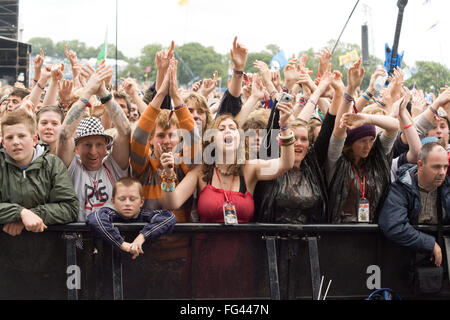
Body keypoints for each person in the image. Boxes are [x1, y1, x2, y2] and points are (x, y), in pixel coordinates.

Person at [326, 58, 399, 224]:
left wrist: (366, 119)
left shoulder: (377, 159)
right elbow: (339, 129)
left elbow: (394, 126)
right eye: (362, 141)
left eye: (371, 140)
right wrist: (350, 89)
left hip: (373, 233)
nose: (368, 146)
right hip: (339, 233)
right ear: (351, 143)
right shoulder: (336, 161)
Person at [57, 64, 131, 222]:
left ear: (106, 146)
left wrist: (103, 92)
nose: (93, 151)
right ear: (76, 148)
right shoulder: (73, 168)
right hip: (78, 242)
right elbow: (64, 134)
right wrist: (88, 92)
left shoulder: (112, 167)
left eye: (98, 145)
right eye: (87, 145)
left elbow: (125, 131)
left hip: (110, 242)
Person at [1, 108, 78, 236]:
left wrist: (33, 215)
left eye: (21, 136)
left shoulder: (53, 164)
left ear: (34, 139)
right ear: (3, 143)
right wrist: (20, 213)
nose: (16, 142)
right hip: (5, 252)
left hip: (47, 250)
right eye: (9, 137)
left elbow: (70, 208)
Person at [379, 142, 450, 267]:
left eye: (445, 167)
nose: (442, 172)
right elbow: (393, 225)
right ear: (420, 165)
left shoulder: (447, 187)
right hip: (404, 263)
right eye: (436, 167)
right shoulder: (401, 188)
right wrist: (430, 243)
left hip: (442, 264)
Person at [86, 177, 176, 259]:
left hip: (145, 268)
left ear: (141, 202)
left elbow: (169, 217)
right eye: (122, 199)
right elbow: (94, 219)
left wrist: (142, 236)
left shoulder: (145, 215)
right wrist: (122, 244)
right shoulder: (109, 214)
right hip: (111, 269)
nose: (127, 203)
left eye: (132, 199)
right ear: (113, 201)